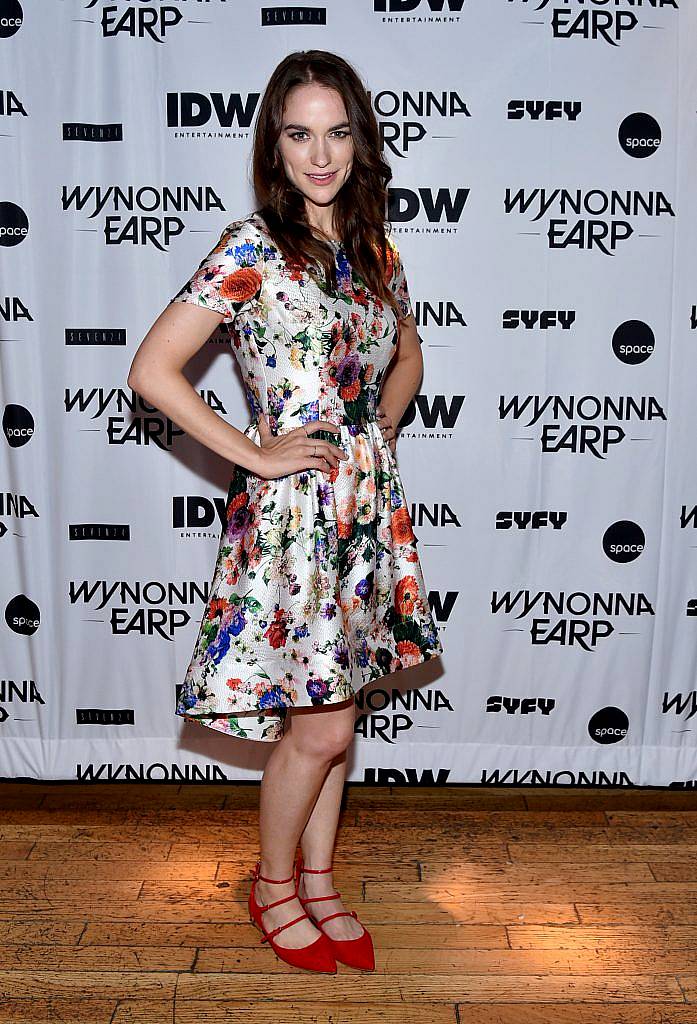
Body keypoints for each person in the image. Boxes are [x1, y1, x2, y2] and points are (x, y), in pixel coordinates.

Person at [127, 49, 443, 975]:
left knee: (341, 710)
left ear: (360, 140)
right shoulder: (250, 246)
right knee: (323, 726)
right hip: (292, 524)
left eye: (338, 131)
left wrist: (369, 437)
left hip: (361, 517)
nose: (321, 153)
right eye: (299, 133)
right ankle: (270, 885)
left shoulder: (375, 250)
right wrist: (260, 452)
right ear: (273, 142)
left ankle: (319, 880)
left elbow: (409, 361)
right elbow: (151, 370)